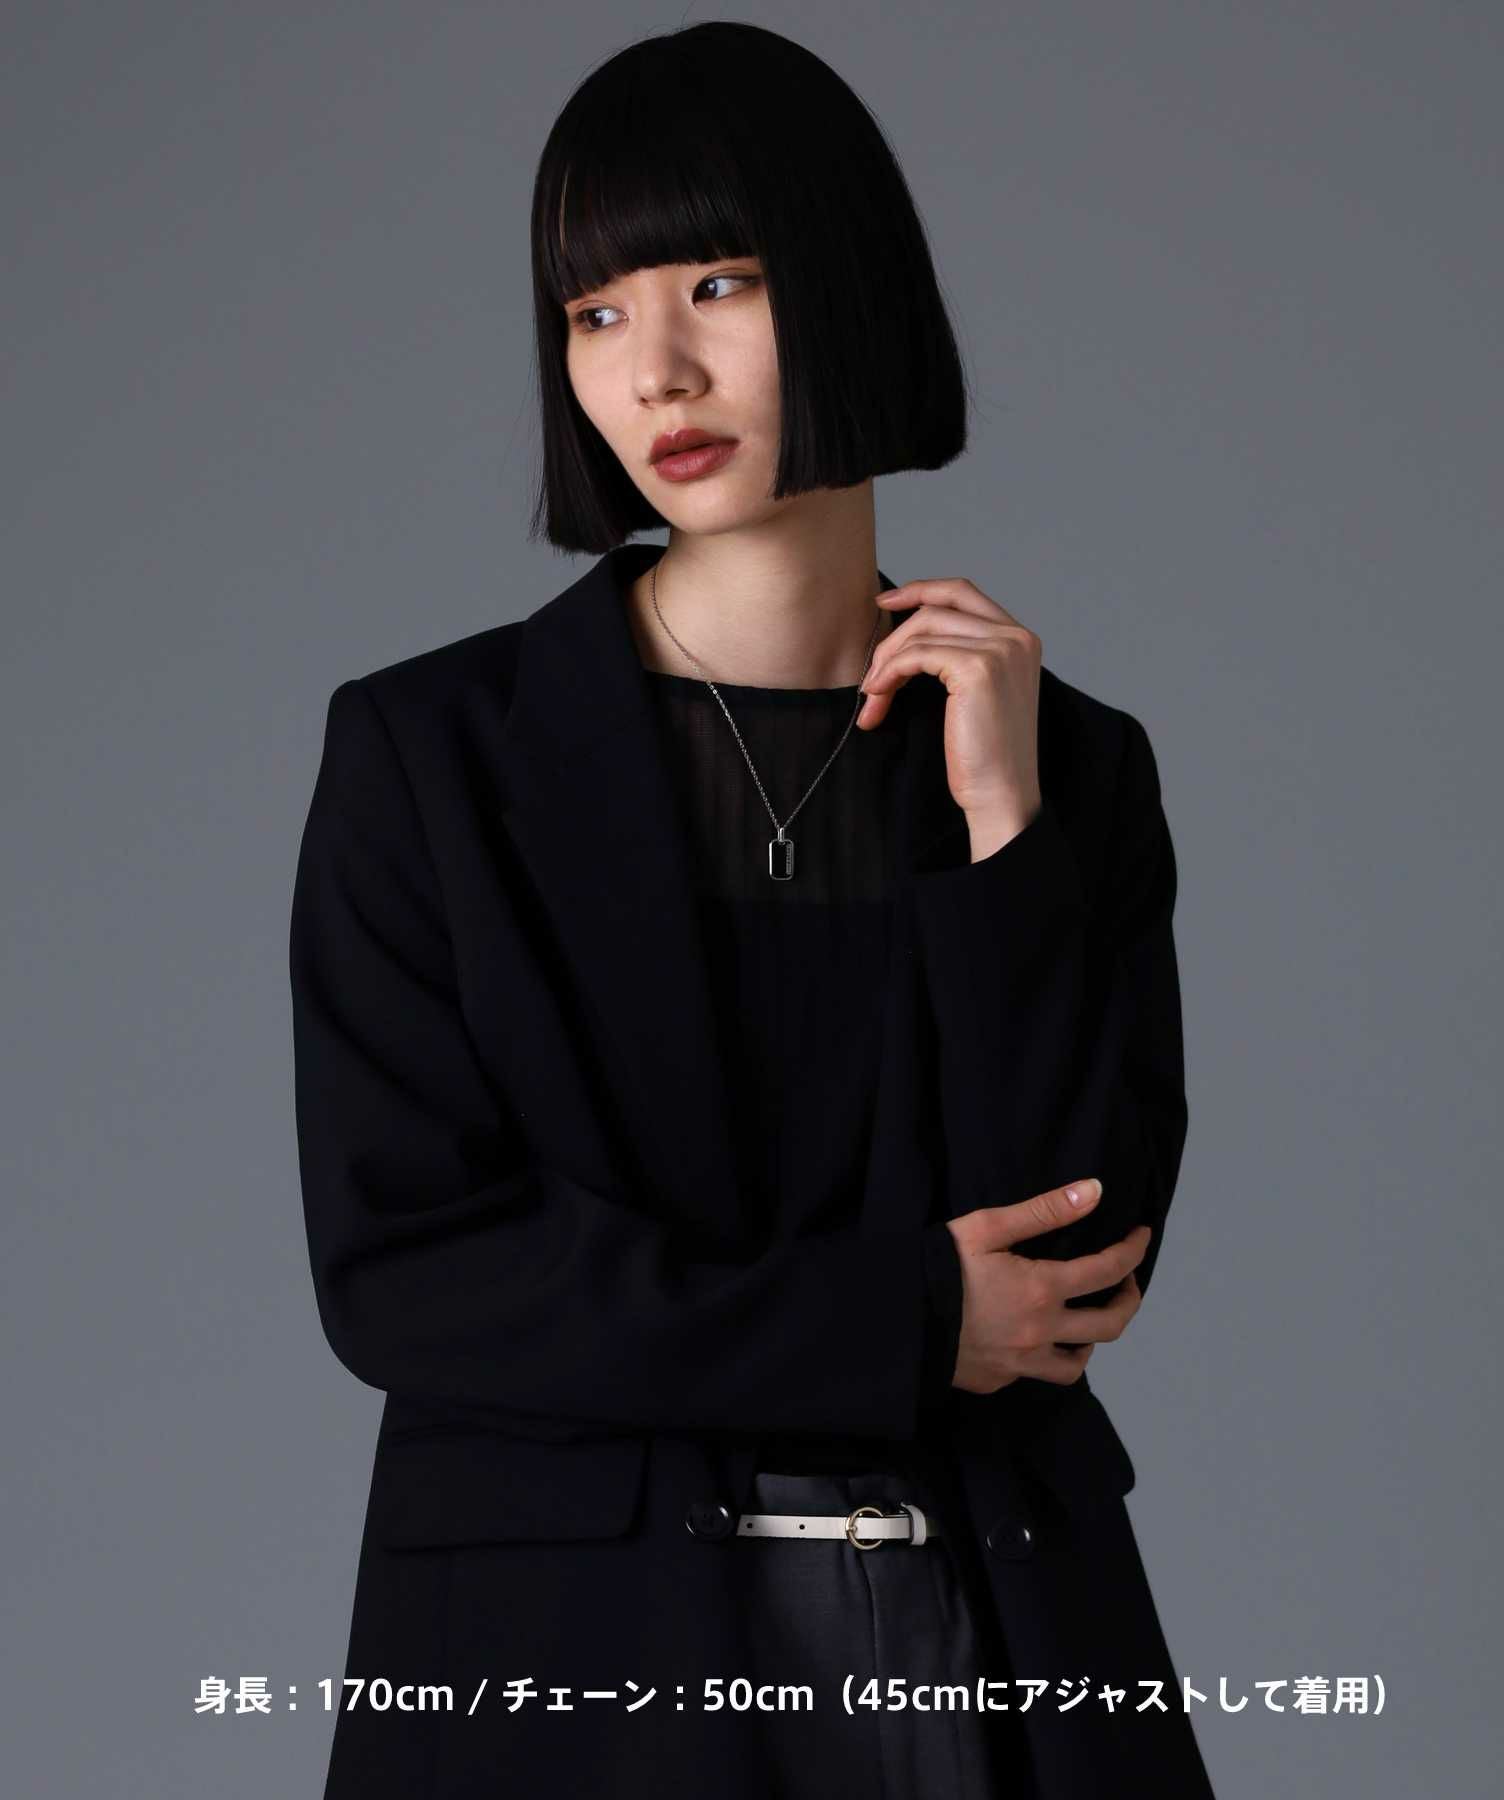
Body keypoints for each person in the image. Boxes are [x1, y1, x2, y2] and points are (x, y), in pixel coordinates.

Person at [289, 21, 1215, 1798]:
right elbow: (411, 1277)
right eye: (595, 312)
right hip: (573, 1674)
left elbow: (1081, 1266)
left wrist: (1004, 836)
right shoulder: (431, 755)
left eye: (719, 282)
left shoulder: (1068, 768)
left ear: (851, 288)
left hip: (994, 1653)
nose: (656, 370)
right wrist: (904, 1321)